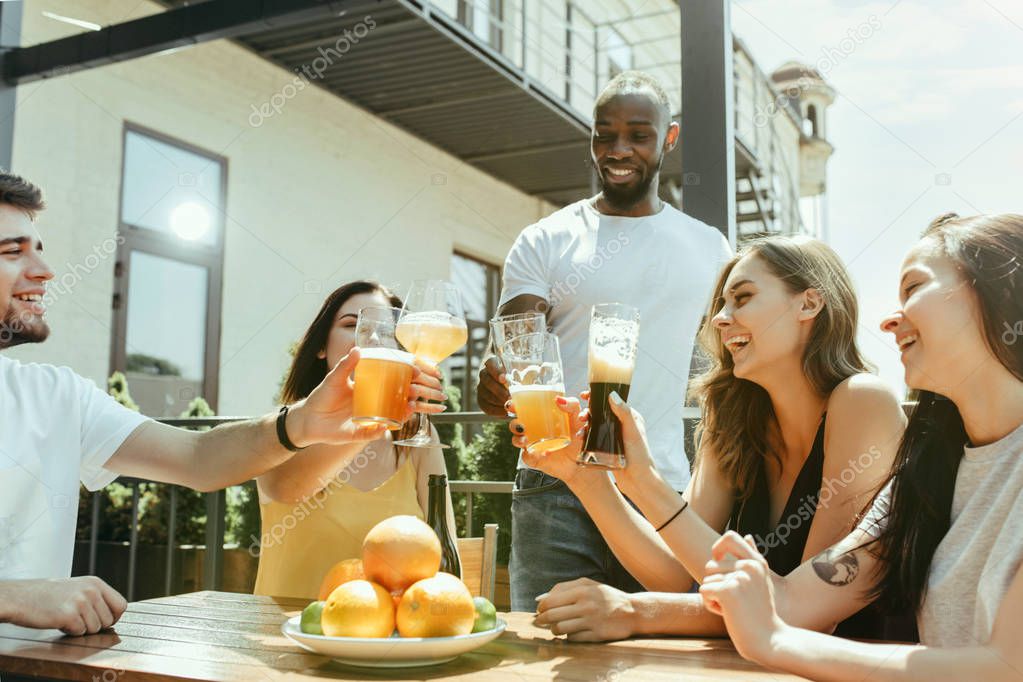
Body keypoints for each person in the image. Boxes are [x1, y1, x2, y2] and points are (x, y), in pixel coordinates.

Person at [0, 172, 445, 635]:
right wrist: (12, 595)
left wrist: (304, 422)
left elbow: (198, 458)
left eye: (39, 249)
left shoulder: (57, 397)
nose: (44, 270)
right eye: (13, 251)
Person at [521, 236, 906, 641]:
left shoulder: (864, 402)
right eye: (721, 305)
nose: (721, 319)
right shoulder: (734, 417)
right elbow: (674, 572)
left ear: (809, 304)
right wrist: (588, 479)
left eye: (742, 298)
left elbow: (806, 612)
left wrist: (635, 610)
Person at [698, 213, 1023, 680]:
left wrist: (775, 643)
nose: (891, 319)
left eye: (914, 288)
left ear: (1003, 290)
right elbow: (792, 602)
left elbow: (1007, 667)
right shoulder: (927, 472)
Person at [476, 71, 733, 610]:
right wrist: (497, 381)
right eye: (604, 134)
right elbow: (515, 347)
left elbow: (735, 358)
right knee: (549, 643)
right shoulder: (546, 239)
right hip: (555, 482)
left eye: (638, 135)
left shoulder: (709, 248)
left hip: (656, 484)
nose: (618, 149)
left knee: (657, 654)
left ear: (669, 138)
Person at [253, 281, 459, 599]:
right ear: (321, 346)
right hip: (286, 640)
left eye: (389, 332)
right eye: (354, 324)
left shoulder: (417, 437)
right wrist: (369, 417)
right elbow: (284, 486)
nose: (374, 337)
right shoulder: (285, 428)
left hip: (382, 640)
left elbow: (444, 549)